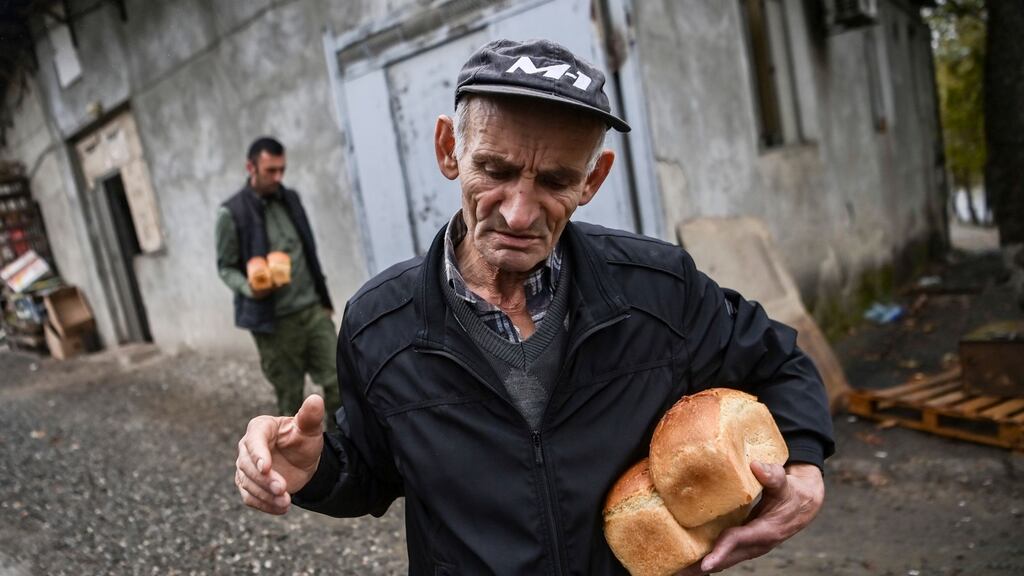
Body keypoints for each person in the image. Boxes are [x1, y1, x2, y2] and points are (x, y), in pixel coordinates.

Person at [234, 39, 835, 575]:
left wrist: (806, 466)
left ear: (592, 180)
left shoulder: (659, 289)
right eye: (494, 170)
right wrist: (314, 468)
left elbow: (778, 363)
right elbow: (371, 469)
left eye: (554, 181)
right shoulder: (379, 324)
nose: (519, 214)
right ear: (450, 150)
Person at [216, 137, 341, 423]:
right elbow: (225, 267)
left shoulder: (291, 198)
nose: (278, 177)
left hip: (312, 311)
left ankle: (341, 453)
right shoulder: (231, 213)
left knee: (339, 383)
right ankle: (302, 461)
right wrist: (248, 288)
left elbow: (309, 250)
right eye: (271, 171)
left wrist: (324, 300)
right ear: (251, 167)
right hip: (274, 323)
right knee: (290, 399)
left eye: (281, 170)